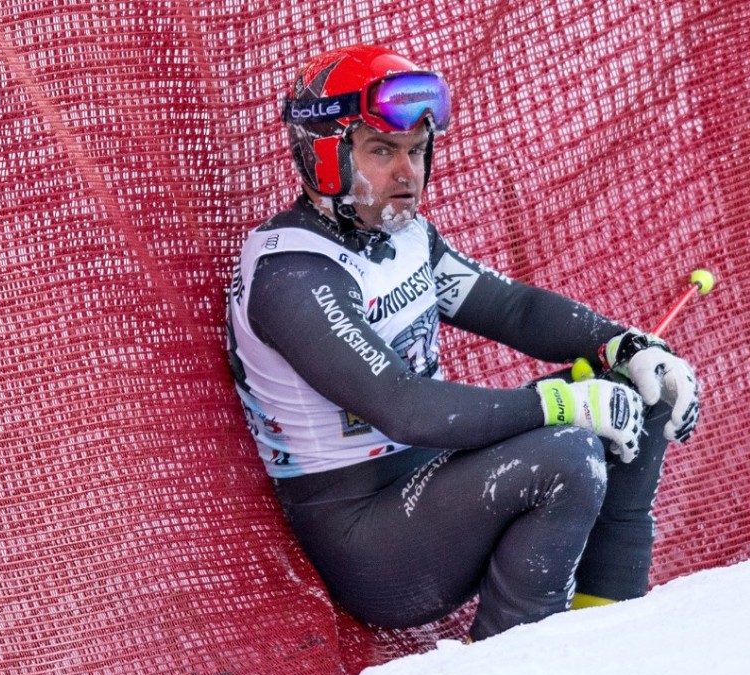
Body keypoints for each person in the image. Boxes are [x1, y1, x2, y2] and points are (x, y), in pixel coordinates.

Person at [226, 44, 700, 641]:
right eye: (381, 151)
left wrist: (623, 344)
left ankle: (610, 632)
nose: (408, 173)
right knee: (567, 456)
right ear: (326, 157)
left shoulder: (407, 236)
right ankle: (517, 663)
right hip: (366, 536)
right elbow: (403, 407)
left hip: (435, 485)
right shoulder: (291, 273)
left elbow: (512, 308)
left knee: (635, 390)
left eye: (416, 152)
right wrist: (562, 403)